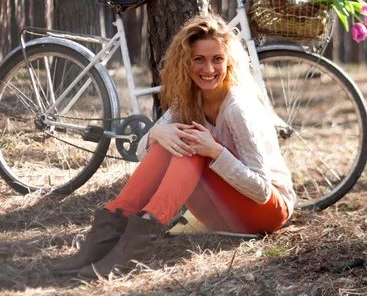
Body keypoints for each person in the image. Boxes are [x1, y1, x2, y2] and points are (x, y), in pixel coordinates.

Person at [52, 14, 296, 278]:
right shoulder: (188, 102)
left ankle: (131, 251)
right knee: (176, 141)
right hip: (220, 215)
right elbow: (143, 152)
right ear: (186, 62)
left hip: (266, 212)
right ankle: (102, 242)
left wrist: (215, 151)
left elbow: (261, 191)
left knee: (190, 146)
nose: (209, 69)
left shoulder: (237, 108)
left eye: (218, 59)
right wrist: (158, 132)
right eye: (199, 59)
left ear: (229, 63)